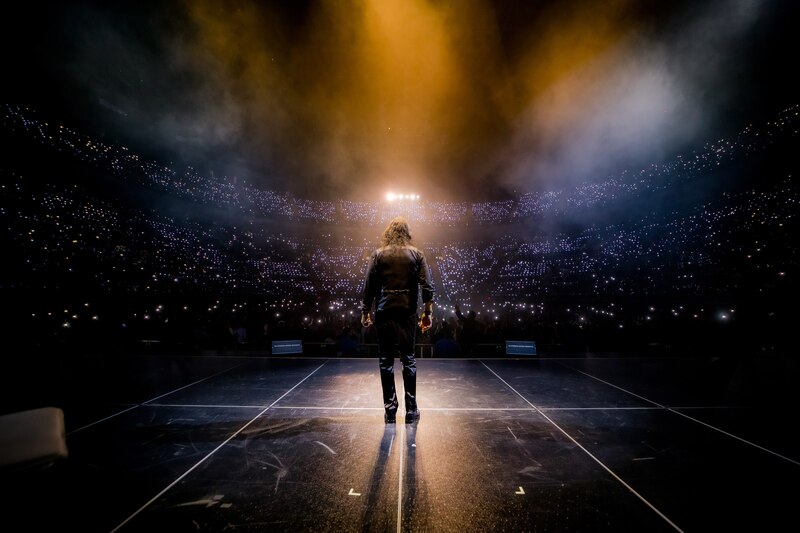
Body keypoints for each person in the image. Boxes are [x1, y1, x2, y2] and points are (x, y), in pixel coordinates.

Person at [361, 216, 434, 424]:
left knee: (386, 361)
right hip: (407, 313)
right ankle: (411, 411)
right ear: (407, 233)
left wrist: (366, 311)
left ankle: (390, 411)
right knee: (408, 359)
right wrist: (427, 313)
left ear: (388, 233)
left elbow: (369, 286)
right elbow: (427, 287)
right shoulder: (417, 254)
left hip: (384, 312)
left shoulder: (377, 255)